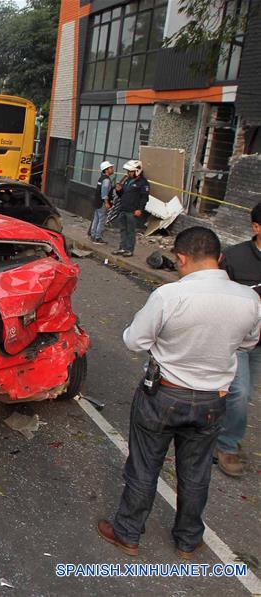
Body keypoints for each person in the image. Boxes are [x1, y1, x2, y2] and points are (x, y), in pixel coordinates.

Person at [98, 226, 260, 560]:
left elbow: (134, 341)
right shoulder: (249, 299)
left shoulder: (169, 296)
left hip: (164, 396)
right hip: (212, 401)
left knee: (144, 466)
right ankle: (188, 540)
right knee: (196, 472)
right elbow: (248, 342)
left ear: (182, 258)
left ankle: (128, 534)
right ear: (219, 257)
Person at [216, 202, 261, 477]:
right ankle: (227, 445)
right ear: (256, 227)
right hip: (240, 341)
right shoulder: (235, 257)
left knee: (245, 393)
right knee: (240, 392)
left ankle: (220, 428)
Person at [113, 160, 149, 257]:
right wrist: (119, 191)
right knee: (123, 230)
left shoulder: (143, 183)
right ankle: (122, 248)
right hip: (123, 209)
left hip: (132, 211)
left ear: (137, 171)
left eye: (130, 171)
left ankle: (129, 249)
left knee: (131, 231)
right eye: (128, 171)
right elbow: (122, 195)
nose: (128, 173)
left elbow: (144, 198)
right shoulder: (127, 180)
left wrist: (140, 209)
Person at [90, 161, 114, 244]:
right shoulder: (106, 180)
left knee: (96, 218)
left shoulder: (101, 178)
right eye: (111, 168)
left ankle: (93, 235)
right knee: (101, 220)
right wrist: (106, 202)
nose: (112, 169)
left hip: (97, 202)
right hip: (102, 203)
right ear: (106, 170)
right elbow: (104, 192)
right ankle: (98, 237)